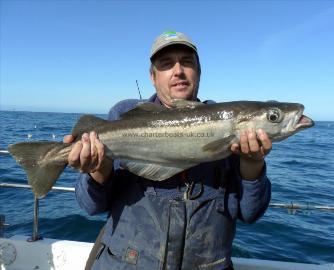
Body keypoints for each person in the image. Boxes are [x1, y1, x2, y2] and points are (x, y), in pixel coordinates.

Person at [64, 31, 272, 270]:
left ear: (199, 71)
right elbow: (91, 207)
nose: (178, 71)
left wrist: (252, 167)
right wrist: (99, 170)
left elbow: (250, 214)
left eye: (187, 61)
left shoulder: (231, 127)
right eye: (166, 64)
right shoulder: (123, 116)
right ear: (153, 77)